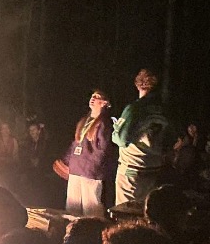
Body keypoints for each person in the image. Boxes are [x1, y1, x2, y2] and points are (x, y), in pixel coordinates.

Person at [111, 68, 171, 211]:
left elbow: (120, 139)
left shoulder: (135, 109)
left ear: (138, 84)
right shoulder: (164, 110)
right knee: (146, 213)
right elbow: (172, 141)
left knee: (125, 214)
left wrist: (115, 131)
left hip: (132, 172)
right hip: (153, 171)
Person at [62, 90, 113, 218]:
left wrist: (93, 165)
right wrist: (66, 161)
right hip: (76, 170)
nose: (93, 98)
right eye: (92, 96)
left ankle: (94, 235)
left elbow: (103, 150)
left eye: (97, 97)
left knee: (91, 212)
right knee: (72, 211)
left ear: (104, 103)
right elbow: (75, 144)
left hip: (90, 173)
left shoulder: (103, 123)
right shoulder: (84, 121)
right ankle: (72, 235)